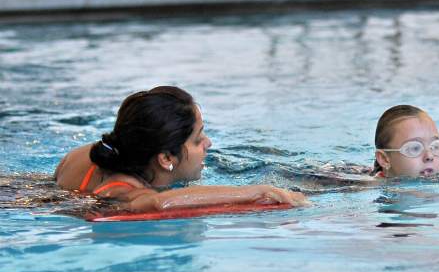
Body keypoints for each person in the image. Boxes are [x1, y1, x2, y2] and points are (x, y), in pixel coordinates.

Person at [54, 86, 308, 212]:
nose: (208, 143)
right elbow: (158, 202)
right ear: (166, 158)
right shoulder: (120, 191)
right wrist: (256, 191)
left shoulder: (83, 155)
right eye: (198, 140)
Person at [372, 105, 439, 179]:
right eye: (415, 148)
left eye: (435, 147)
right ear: (384, 159)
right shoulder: (370, 187)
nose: (430, 156)